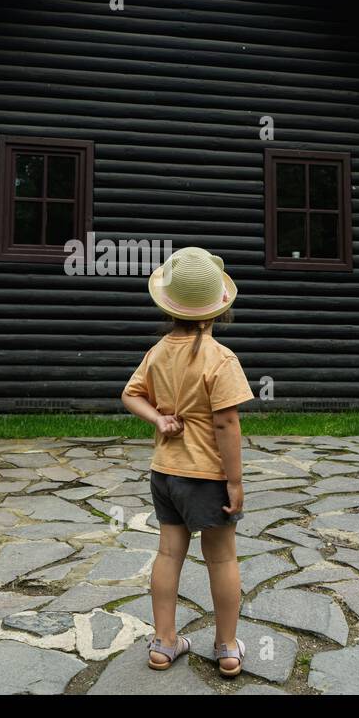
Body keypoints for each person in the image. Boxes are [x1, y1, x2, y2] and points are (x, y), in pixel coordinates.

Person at [121, 246, 254, 677]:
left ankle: (163, 643)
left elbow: (130, 395)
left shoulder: (159, 351)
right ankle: (228, 647)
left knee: (167, 554)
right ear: (217, 310)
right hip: (206, 476)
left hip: (165, 472)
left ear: (169, 307)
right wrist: (233, 481)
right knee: (221, 559)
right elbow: (227, 425)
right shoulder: (220, 359)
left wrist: (159, 417)